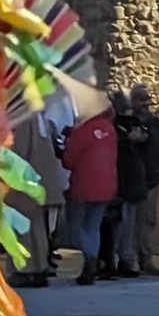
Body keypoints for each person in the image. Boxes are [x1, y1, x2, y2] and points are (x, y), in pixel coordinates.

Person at [59, 98, 118, 285]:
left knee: (75, 226)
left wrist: (66, 142)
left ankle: (90, 257)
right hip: (106, 184)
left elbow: (69, 160)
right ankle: (91, 260)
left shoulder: (82, 130)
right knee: (93, 226)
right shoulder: (109, 129)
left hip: (83, 184)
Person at [115, 84, 159, 277]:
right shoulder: (127, 123)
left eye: (147, 99)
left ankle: (146, 258)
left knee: (148, 220)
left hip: (152, 178)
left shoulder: (154, 122)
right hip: (133, 179)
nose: (146, 103)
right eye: (141, 99)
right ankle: (129, 260)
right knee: (130, 222)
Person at [4, 109, 63, 288]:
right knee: (37, 227)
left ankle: (23, 269)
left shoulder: (22, 119)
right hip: (41, 179)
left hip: (24, 180)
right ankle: (39, 268)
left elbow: (18, 151)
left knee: (21, 226)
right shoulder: (40, 118)